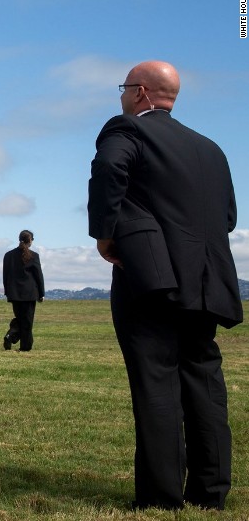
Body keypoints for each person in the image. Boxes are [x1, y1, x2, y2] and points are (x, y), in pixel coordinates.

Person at [88, 60, 242, 511]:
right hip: (208, 281)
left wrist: (106, 231)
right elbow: (228, 216)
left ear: (139, 93)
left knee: (156, 383)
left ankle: (161, 497)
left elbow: (109, 171)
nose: (121, 96)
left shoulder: (127, 129)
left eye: (123, 88)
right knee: (204, 381)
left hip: (150, 281)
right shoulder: (211, 149)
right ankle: (211, 493)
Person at [1, 230, 44, 351]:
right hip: (30, 294)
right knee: (27, 322)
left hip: (14, 294)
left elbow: (6, 275)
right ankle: (25, 347)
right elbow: (38, 276)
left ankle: (11, 335)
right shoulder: (34, 256)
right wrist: (42, 293)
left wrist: (7, 291)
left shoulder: (8, 255)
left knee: (20, 319)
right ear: (30, 240)